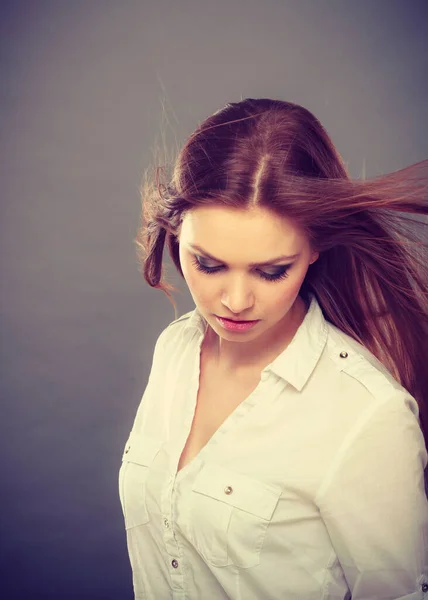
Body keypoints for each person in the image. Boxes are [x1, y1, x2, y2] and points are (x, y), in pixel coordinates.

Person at [119, 98, 428, 599]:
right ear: (176, 236)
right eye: (209, 264)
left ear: (314, 249)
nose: (235, 302)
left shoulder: (367, 417)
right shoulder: (174, 350)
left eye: (271, 271)